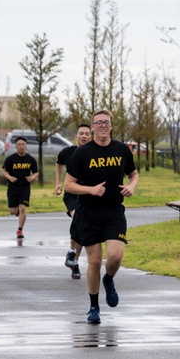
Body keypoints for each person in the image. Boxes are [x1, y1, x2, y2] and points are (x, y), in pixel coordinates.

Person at [64, 109, 138, 324]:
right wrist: (90, 190)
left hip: (114, 212)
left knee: (115, 257)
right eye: (99, 122)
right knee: (94, 261)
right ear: (93, 127)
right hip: (89, 214)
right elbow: (69, 184)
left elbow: (133, 174)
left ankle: (109, 279)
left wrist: (132, 186)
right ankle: (94, 307)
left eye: (107, 122)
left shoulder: (122, 149)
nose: (103, 125)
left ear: (111, 126)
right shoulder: (82, 153)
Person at [56, 123, 93, 279]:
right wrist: (58, 182)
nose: (84, 136)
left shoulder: (95, 153)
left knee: (82, 226)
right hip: (72, 193)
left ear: (91, 136)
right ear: (76, 137)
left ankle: (74, 261)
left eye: (87, 134)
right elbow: (58, 163)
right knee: (79, 216)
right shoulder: (68, 152)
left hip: (88, 194)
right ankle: (72, 253)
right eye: (81, 133)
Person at [1, 137, 39, 240]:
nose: (21, 146)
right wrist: (9, 177)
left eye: (23, 144)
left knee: (23, 208)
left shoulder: (31, 159)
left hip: (25, 187)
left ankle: (20, 230)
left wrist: (32, 177)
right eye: (19, 145)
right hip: (13, 188)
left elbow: (36, 172)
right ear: (16, 146)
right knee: (12, 211)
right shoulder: (10, 159)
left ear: (26, 146)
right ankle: (16, 210)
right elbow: (4, 170)